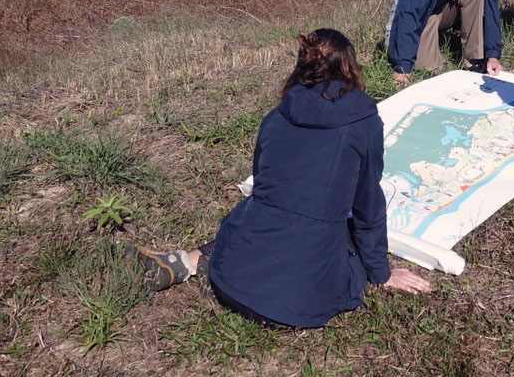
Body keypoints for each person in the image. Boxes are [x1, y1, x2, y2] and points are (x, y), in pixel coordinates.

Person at [131, 29, 431, 328]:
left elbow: (264, 181)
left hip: (230, 278)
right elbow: (368, 206)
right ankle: (204, 262)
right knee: (345, 228)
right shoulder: (363, 123)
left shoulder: (276, 116)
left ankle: (194, 259)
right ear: (349, 66)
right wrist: (382, 273)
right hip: (298, 301)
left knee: (269, 211)